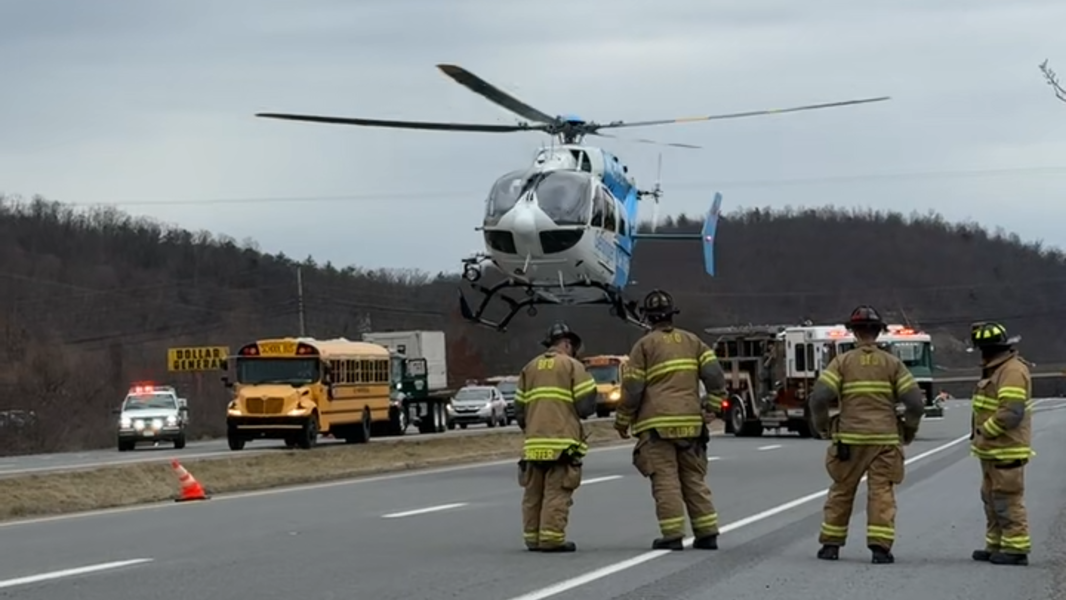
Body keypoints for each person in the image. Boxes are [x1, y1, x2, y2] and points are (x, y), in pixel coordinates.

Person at [809, 305, 926, 564]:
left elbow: (819, 398)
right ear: (878, 332)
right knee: (881, 492)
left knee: (841, 490)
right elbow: (916, 403)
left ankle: (830, 545)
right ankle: (880, 549)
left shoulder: (841, 363)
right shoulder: (892, 364)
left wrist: (822, 427)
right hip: (885, 441)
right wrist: (908, 429)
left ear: (853, 332)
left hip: (849, 441)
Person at [614, 289, 728, 551]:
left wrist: (622, 420)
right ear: (671, 315)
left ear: (649, 318)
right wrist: (712, 406)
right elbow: (714, 375)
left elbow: (632, 388)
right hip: (691, 425)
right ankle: (707, 532)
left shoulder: (643, 346)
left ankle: (673, 535)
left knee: (666, 481)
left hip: (657, 427)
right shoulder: (693, 341)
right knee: (694, 480)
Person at [514, 322, 597, 552]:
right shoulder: (573, 366)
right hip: (562, 443)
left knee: (533, 493)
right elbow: (585, 407)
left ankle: (532, 538)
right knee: (557, 492)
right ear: (567, 344)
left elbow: (519, 409)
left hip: (533, 444)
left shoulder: (529, 368)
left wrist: (532, 429)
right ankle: (551, 538)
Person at [968, 321, 1033, 566]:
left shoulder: (1012, 371)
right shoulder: (998, 370)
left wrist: (986, 431)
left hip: (1006, 448)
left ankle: (1016, 549)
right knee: (991, 498)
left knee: (1007, 499)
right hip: (993, 450)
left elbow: (1011, 411)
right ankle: (996, 545)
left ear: (990, 350)